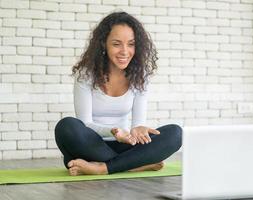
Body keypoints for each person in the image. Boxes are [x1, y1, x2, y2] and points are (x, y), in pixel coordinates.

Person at [54, 11, 182, 176]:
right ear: (103, 45)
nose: (125, 51)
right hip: (91, 143)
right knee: (66, 127)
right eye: (116, 44)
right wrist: (114, 132)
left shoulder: (140, 76)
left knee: (176, 133)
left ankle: (101, 168)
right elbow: (85, 123)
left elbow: (137, 126)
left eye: (131, 44)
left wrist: (138, 130)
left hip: (126, 144)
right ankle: (134, 165)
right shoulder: (85, 74)